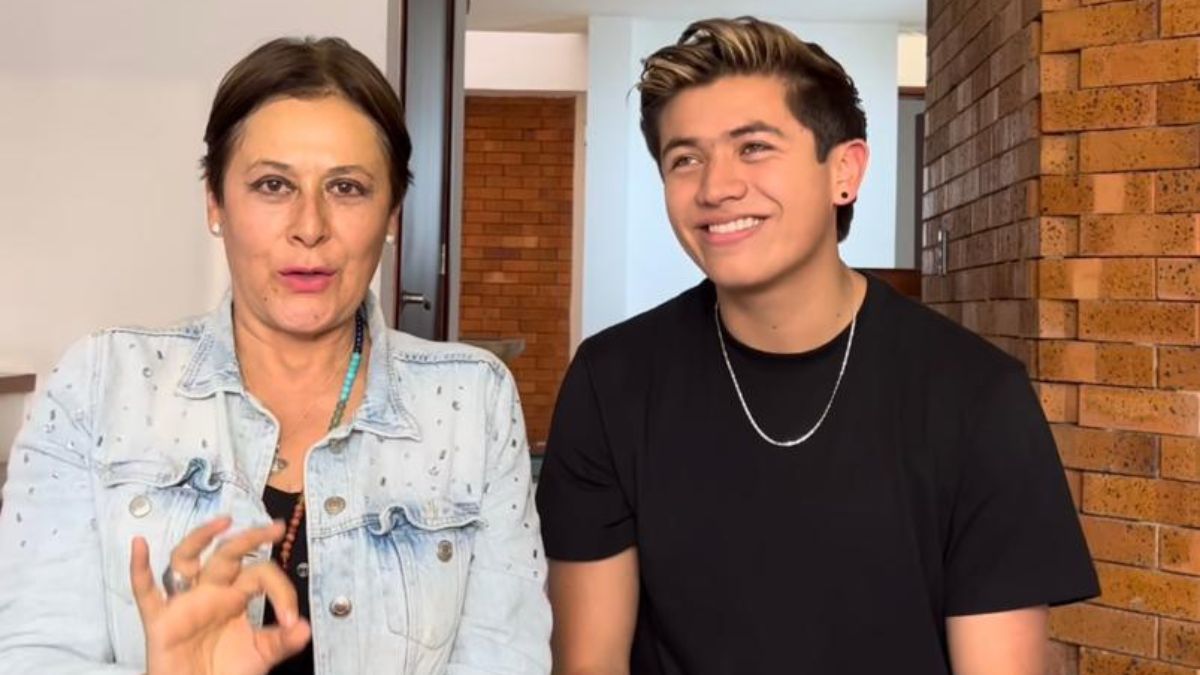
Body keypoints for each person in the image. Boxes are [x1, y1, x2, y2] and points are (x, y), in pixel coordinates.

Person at [536, 16, 1098, 675]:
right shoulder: (612, 382)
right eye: (685, 158)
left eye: (754, 147)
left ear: (845, 171)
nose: (715, 187)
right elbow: (591, 661)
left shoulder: (977, 397)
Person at [0, 36, 550, 675]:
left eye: (347, 187)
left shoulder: (472, 402)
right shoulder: (101, 384)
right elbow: (32, 656)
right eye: (272, 185)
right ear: (215, 203)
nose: (309, 226)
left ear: (392, 215)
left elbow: (505, 660)